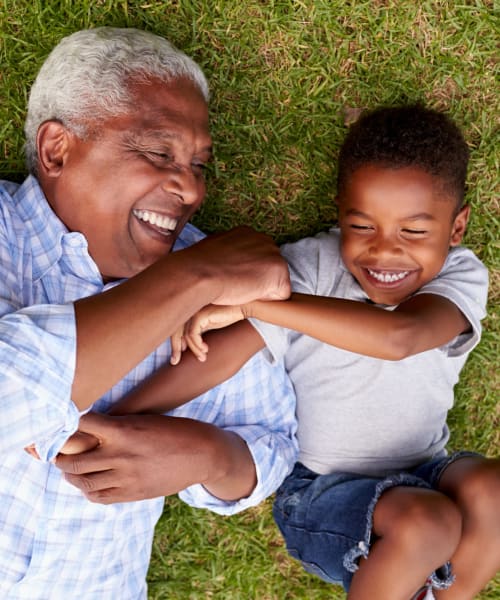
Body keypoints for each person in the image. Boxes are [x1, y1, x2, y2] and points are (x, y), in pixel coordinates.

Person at [102, 105, 500, 600]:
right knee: (429, 521)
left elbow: (402, 338)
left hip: (427, 468)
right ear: (340, 212)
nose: (384, 253)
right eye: (362, 227)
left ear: (456, 228)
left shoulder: (459, 275)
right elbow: (224, 355)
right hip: (320, 494)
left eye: (414, 232)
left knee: (493, 490)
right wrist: (121, 416)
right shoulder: (310, 265)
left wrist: (260, 304)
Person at [0, 27, 299, 598]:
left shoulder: (216, 287)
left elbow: (272, 443)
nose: (189, 189)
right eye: (159, 153)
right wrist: (191, 277)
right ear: (57, 149)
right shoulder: (207, 272)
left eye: (199, 165)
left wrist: (206, 456)